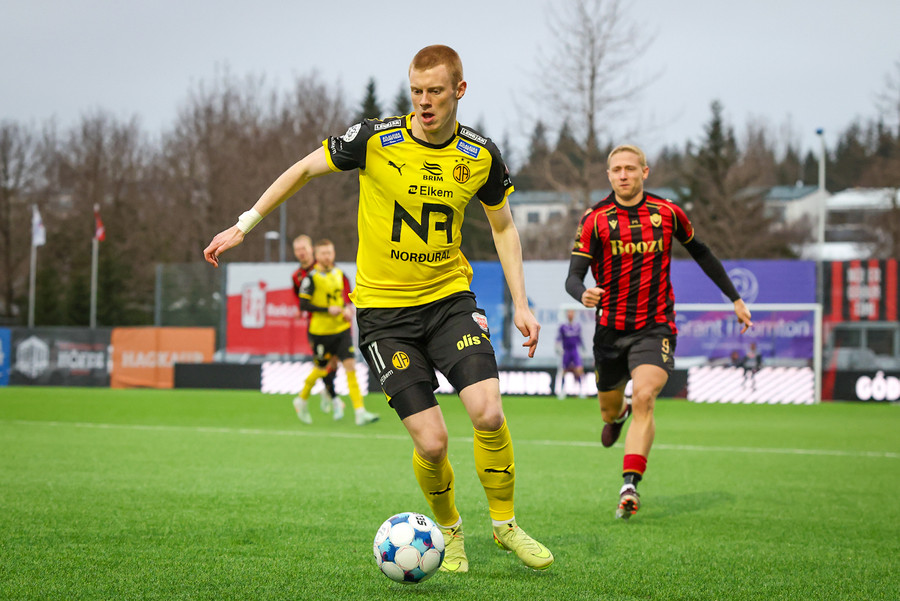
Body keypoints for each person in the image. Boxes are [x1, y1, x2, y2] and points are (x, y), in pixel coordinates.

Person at [204, 45, 552, 572]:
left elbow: (503, 227)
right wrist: (245, 223)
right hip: (385, 316)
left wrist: (521, 303)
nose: (424, 102)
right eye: (416, 91)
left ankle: (505, 525)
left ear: (459, 90)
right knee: (432, 443)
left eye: (435, 91)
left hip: (449, 301)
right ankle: (450, 532)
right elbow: (303, 170)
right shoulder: (374, 139)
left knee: (488, 411)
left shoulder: (481, 155)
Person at [565, 144, 753, 520]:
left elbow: (702, 252)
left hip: (656, 326)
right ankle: (617, 416)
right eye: (617, 169)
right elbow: (573, 276)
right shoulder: (595, 219)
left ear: (644, 172)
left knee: (645, 396)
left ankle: (629, 484)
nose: (623, 175)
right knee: (609, 411)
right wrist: (582, 293)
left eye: (630, 168)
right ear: (609, 175)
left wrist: (735, 298)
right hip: (610, 331)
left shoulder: (667, 213)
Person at [293, 238, 380, 426]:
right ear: (316, 255)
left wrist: (348, 309)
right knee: (321, 369)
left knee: (350, 367)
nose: (327, 256)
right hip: (321, 332)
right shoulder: (311, 278)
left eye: (330, 253)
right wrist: (327, 310)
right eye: (323, 253)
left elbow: (347, 300)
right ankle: (302, 398)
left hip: (341, 330)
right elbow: (303, 304)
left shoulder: (340, 274)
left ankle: (360, 411)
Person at [291, 234, 339, 414]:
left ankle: (327, 392)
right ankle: (331, 396)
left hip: (334, 322)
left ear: (311, 249)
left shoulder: (324, 267)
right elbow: (300, 299)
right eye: (297, 250)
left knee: (334, 363)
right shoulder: (297, 276)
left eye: (303, 248)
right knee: (322, 362)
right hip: (315, 325)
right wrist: (299, 309)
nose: (301, 253)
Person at [555, 309, 586, 399]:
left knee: (579, 370)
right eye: (569, 313)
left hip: (575, 350)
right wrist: (558, 348)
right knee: (564, 371)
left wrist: (583, 350)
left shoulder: (577, 326)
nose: (570, 315)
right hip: (566, 351)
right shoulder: (563, 327)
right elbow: (558, 338)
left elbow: (580, 339)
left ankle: (581, 391)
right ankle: (562, 391)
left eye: (572, 313)